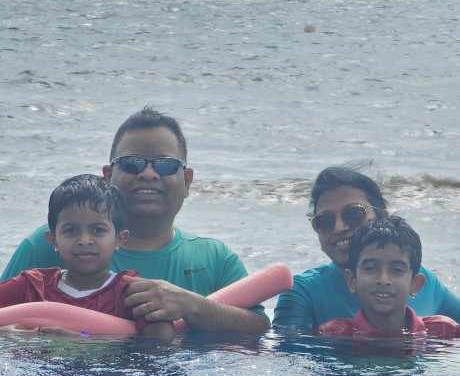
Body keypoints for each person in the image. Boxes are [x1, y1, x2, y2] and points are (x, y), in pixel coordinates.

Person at [1, 107, 270, 333]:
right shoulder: (47, 244)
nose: (149, 174)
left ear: (186, 181)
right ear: (108, 176)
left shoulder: (214, 258)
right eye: (132, 163)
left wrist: (191, 305)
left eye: (165, 164)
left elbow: (259, 329)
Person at [273, 164, 460, 331]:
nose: (339, 228)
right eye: (325, 221)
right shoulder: (302, 292)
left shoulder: (424, 280)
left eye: (353, 214)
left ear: (383, 218)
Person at [0, 174, 175, 338]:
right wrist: (6, 335)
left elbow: (162, 337)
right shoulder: (31, 286)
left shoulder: (128, 291)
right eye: (71, 230)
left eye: (98, 230)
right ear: (53, 240)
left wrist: (86, 340)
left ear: (119, 239)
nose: (84, 240)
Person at [318, 215, 460, 338]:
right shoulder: (333, 334)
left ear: (415, 284)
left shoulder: (445, 331)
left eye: (397, 270)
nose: (383, 280)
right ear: (351, 280)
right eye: (371, 268)